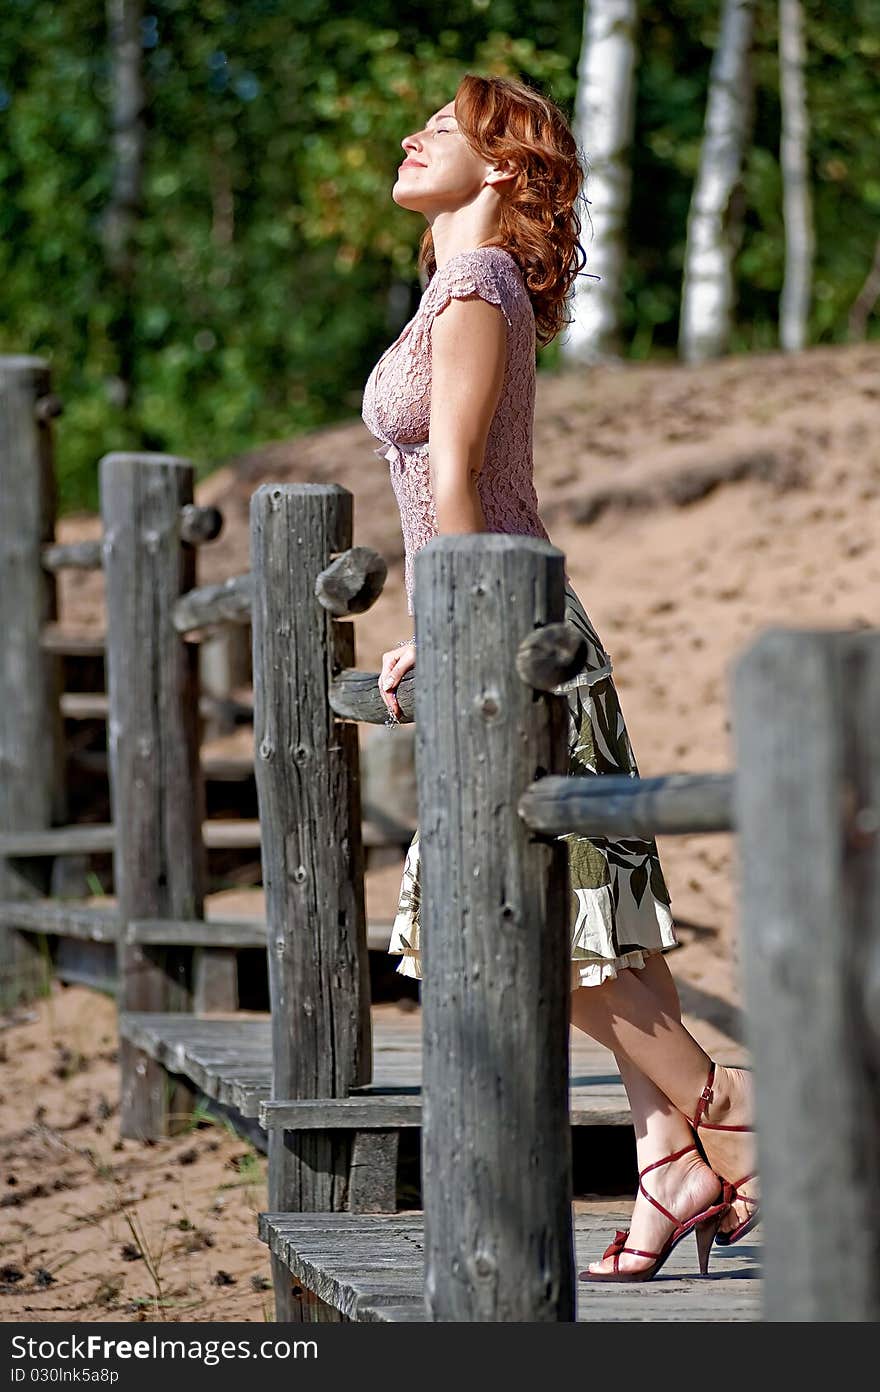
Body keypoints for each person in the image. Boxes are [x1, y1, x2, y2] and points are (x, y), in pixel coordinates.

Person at [360, 72, 759, 1282]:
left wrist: (447, 623)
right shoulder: (456, 286)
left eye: (440, 130)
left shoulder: (476, 289)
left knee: (516, 923)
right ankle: (672, 1165)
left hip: (507, 628)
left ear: (495, 168)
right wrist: (434, 617)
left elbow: (465, 478)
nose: (410, 138)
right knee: (588, 929)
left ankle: (728, 1114)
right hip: (496, 615)